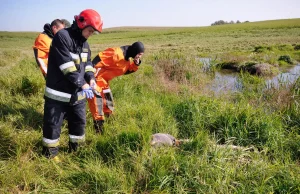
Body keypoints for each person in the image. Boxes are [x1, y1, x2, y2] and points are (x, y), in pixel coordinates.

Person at [42, 9, 103, 160]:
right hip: (58, 94)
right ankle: (50, 156)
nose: (90, 34)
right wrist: (83, 85)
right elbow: (67, 67)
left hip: (77, 95)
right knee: (53, 126)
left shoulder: (85, 44)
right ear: (81, 24)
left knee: (79, 123)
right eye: (89, 30)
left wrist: (91, 79)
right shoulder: (62, 37)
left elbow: (87, 65)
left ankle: (76, 152)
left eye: (92, 32)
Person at [88, 41, 145, 134]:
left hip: (104, 82)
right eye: (139, 54)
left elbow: (126, 71)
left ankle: (110, 123)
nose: (140, 56)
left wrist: (136, 64)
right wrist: (90, 77)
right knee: (97, 105)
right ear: (135, 51)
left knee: (108, 103)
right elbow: (97, 60)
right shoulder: (116, 53)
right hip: (95, 80)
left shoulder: (127, 60)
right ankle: (99, 130)